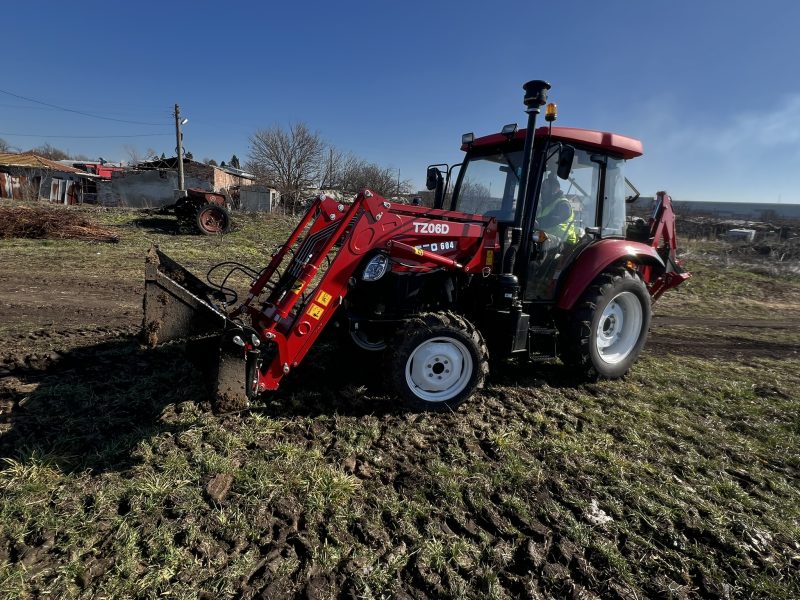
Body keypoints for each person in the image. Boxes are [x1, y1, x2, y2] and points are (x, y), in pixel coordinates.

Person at [537, 172, 579, 245]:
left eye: (544, 188)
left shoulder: (563, 204)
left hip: (565, 243)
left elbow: (553, 219)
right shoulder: (544, 205)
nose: (541, 191)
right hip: (549, 240)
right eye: (541, 188)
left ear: (555, 189)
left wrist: (536, 222)